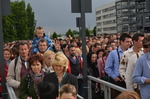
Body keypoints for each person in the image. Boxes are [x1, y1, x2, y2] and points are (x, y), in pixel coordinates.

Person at [105, 33, 132, 98]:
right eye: (127, 42)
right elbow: (107, 68)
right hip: (117, 81)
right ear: (121, 42)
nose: (129, 44)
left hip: (128, 80)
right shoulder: (113, 53)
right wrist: (115, 77)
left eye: (130, 42)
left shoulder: (131, 52)